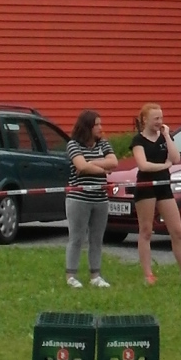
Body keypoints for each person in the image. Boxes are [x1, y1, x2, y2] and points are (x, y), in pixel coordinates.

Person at [130, 102, 181, 286]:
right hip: (146, 186)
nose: (159, 122)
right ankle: (148, 274)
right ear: (145, 120)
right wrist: (164, 166)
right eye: (155, 119)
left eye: (161, 118)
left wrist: (167, 135)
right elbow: (143, 165)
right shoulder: (138, 141)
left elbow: (175, 158)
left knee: (177, 231)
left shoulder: (164, 137)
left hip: (164, 186)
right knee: (146, 230)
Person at [64, 110, 116, 291]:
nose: (101, 128)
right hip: (79, 198)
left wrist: (91, 164)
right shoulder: (73, 145)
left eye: (101, 124)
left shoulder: (104, 144)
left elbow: (114, 162)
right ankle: (71, 276)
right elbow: (80, 165)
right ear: (87, 127)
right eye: (97, 125)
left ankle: (95, 275)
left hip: (100, 198)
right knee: (76, 238)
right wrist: (103, 168)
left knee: (97, 238)